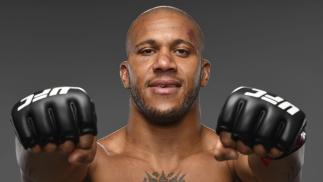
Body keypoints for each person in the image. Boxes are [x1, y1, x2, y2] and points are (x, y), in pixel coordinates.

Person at [11, 6, 306, 182]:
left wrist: (284, 144)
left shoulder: (233, 160)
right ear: (126, 74)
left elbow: (279, 173)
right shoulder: (91, 162)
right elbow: (42, 172)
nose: (164, 63)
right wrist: (37, 138)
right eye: (147, 51)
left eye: (181, 51)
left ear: (204, 72)